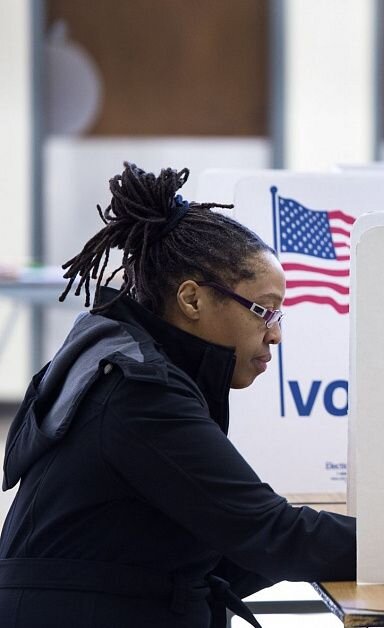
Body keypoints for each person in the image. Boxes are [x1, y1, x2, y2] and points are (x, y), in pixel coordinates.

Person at [0, 163, 356, 627]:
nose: (275, 336)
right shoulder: (141, 395)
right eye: (264, 311)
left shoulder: (120, 361)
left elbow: (221, 545)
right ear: (192, 300)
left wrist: (316, 542)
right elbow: (270, 532)